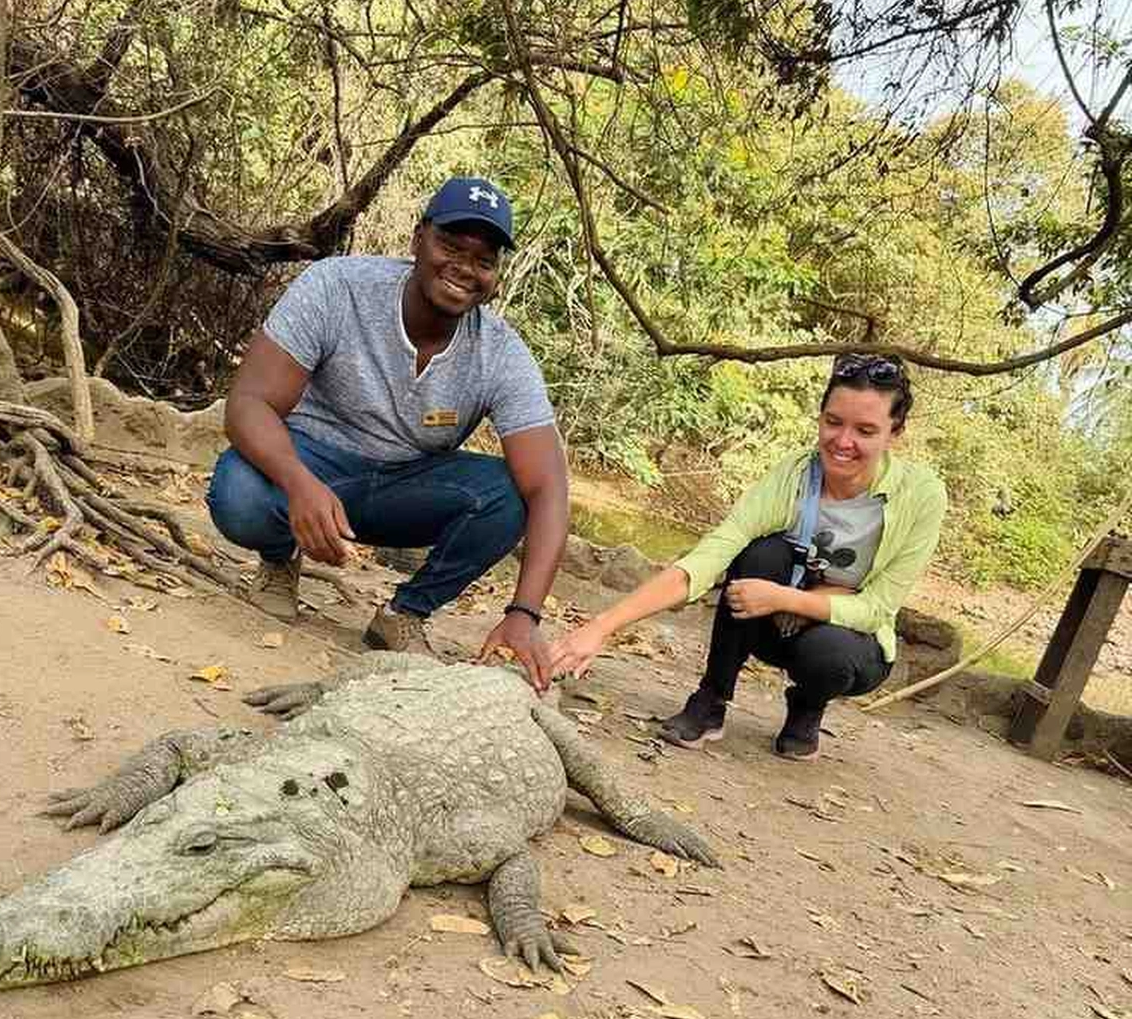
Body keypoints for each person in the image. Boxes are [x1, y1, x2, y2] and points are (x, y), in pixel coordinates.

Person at [206, 176, 568, 691]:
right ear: (418, 238)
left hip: (406, 483)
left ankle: (404, 613)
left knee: (511, 493)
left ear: (496, 275)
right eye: (451, 245)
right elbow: (248, 404)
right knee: (238, 491)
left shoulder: (501, 353)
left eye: (484, 260)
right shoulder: (336, 287)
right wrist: (299, 483)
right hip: (312, 462)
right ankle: (279, 557)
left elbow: (549, 486)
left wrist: (525, 612)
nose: (465, 268)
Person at [548, 354, 946, 759]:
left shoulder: (921, 494)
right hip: (778, 625)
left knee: (828, 653)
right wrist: (603, 625)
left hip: (850, 645)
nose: (843, 442)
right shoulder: (795, 475)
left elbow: (878, 607)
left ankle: (808, 707)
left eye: (865, 430)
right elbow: (712, 553)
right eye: (833, 422)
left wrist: (785, 599)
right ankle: (712, 698)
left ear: (894, 433)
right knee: (760, 553)